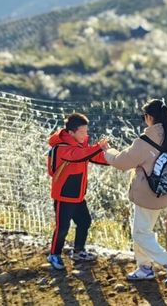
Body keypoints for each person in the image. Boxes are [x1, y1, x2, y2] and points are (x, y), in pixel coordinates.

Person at [103, 99, 167, 286]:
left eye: (144, 117)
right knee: (142, 230)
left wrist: (106, 151)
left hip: (147, 195)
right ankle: (144, 268)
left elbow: (122, 162)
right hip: (164, 193)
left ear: (150, 117)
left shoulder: (145, 141)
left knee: (141, 233)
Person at [46, 112, 109, 270]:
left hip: (78, 195)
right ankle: (54, 254)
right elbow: (78, 156)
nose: (85, 135)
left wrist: (118, 159)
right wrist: (97, 147)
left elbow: (93, 157)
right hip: (64, 196)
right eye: (82, 132)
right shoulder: (62, 148)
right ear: (71, 132)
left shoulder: (81, 146)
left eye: (86, 131)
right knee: (62, 227)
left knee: (84, 221)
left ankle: (78, 251)